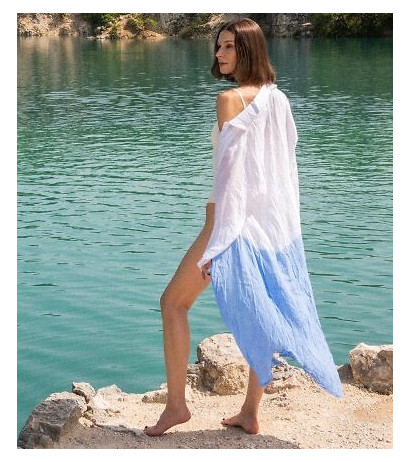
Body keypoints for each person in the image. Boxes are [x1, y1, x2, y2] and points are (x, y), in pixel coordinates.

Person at [144, 18, 343, 437]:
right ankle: (250, 412)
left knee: (172, 304)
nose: (219, 54)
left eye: (229, 47)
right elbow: (286, 174)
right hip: (269, 229)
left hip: (226, 224)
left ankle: (177, 406)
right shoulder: (279, 99)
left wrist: (217, 244)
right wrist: (283, 234)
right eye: (219, 46)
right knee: (261, 315)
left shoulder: (229, 100)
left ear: (249, 50)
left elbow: (229, 179)